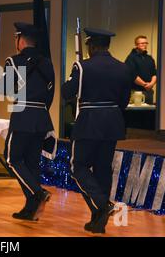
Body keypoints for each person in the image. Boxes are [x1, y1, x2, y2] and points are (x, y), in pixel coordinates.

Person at [61, 28, 131, 234]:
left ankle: (102, 204)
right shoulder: (123, 68)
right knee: (102, 168)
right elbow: (124, 101)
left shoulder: (82, 67)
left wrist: (72, 76)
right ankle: (98, 220)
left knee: (77, 167)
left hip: (89, 122)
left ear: (90, 46)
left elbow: (67, 93)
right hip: (113, 122)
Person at [0, 22, 55, 221]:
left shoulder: (14, 61)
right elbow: (51, 92)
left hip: (22, 114)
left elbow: (3, 88)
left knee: (11, 158)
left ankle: (37, 192)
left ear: (20, 40)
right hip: (42, 116)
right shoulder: (47, 62)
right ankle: (30, 208)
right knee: (32, 163)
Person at [124, 35, 157, 104]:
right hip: (136, 91)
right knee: (137, 113)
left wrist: (151, 84)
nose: (144, 45)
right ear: (136, 45)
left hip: (148, 91)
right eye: (142, 43)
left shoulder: (149, 58)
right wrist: (145, 85)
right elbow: (132, 75)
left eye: (146, 43)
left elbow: (154, 73)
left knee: (149, 113)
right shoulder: (131, 58)